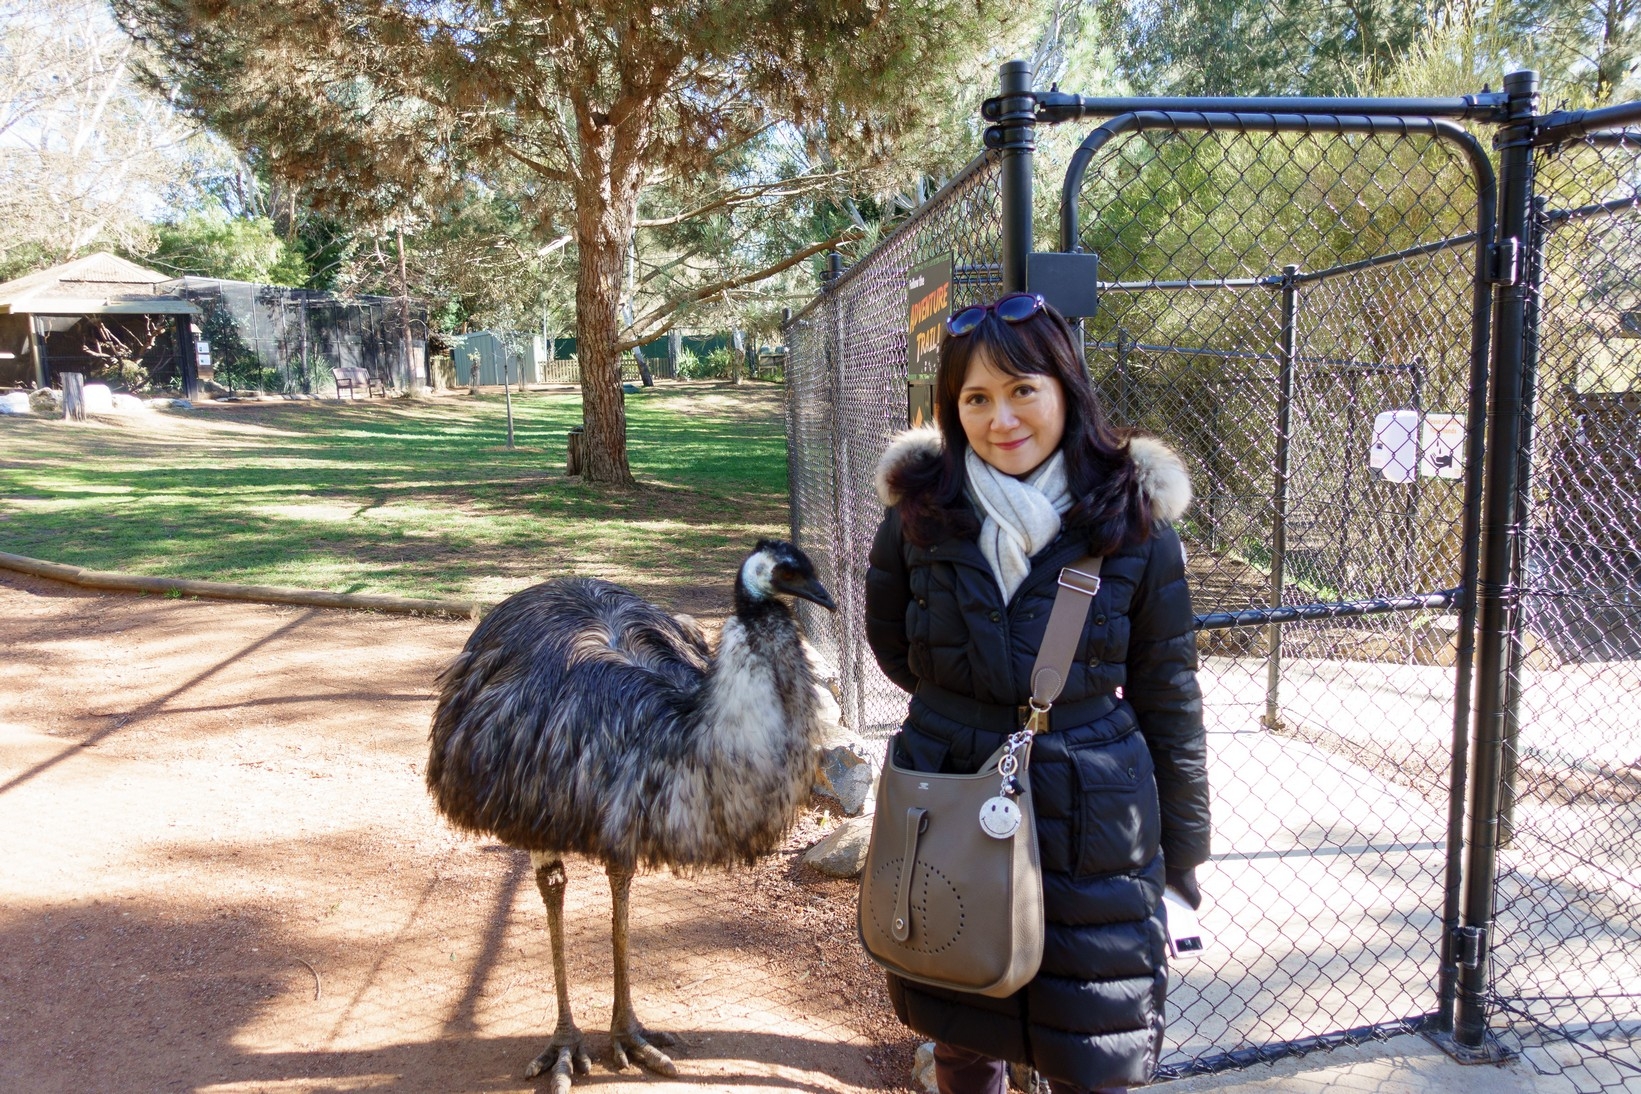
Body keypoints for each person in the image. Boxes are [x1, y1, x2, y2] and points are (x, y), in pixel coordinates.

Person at [864, 292, 1210, 1094]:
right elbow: (895, 649)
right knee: (963, 1034)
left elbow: (1169, 695)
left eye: (1022, 389)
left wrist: (1184, 852)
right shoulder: (919, 515)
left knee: (1096, 1050)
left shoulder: (1132, 520)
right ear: (951, 410)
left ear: (1065, 387)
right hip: (954, 793)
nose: (1001, 419)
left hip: (1096, 824)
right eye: (975, 399)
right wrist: (972, 712)